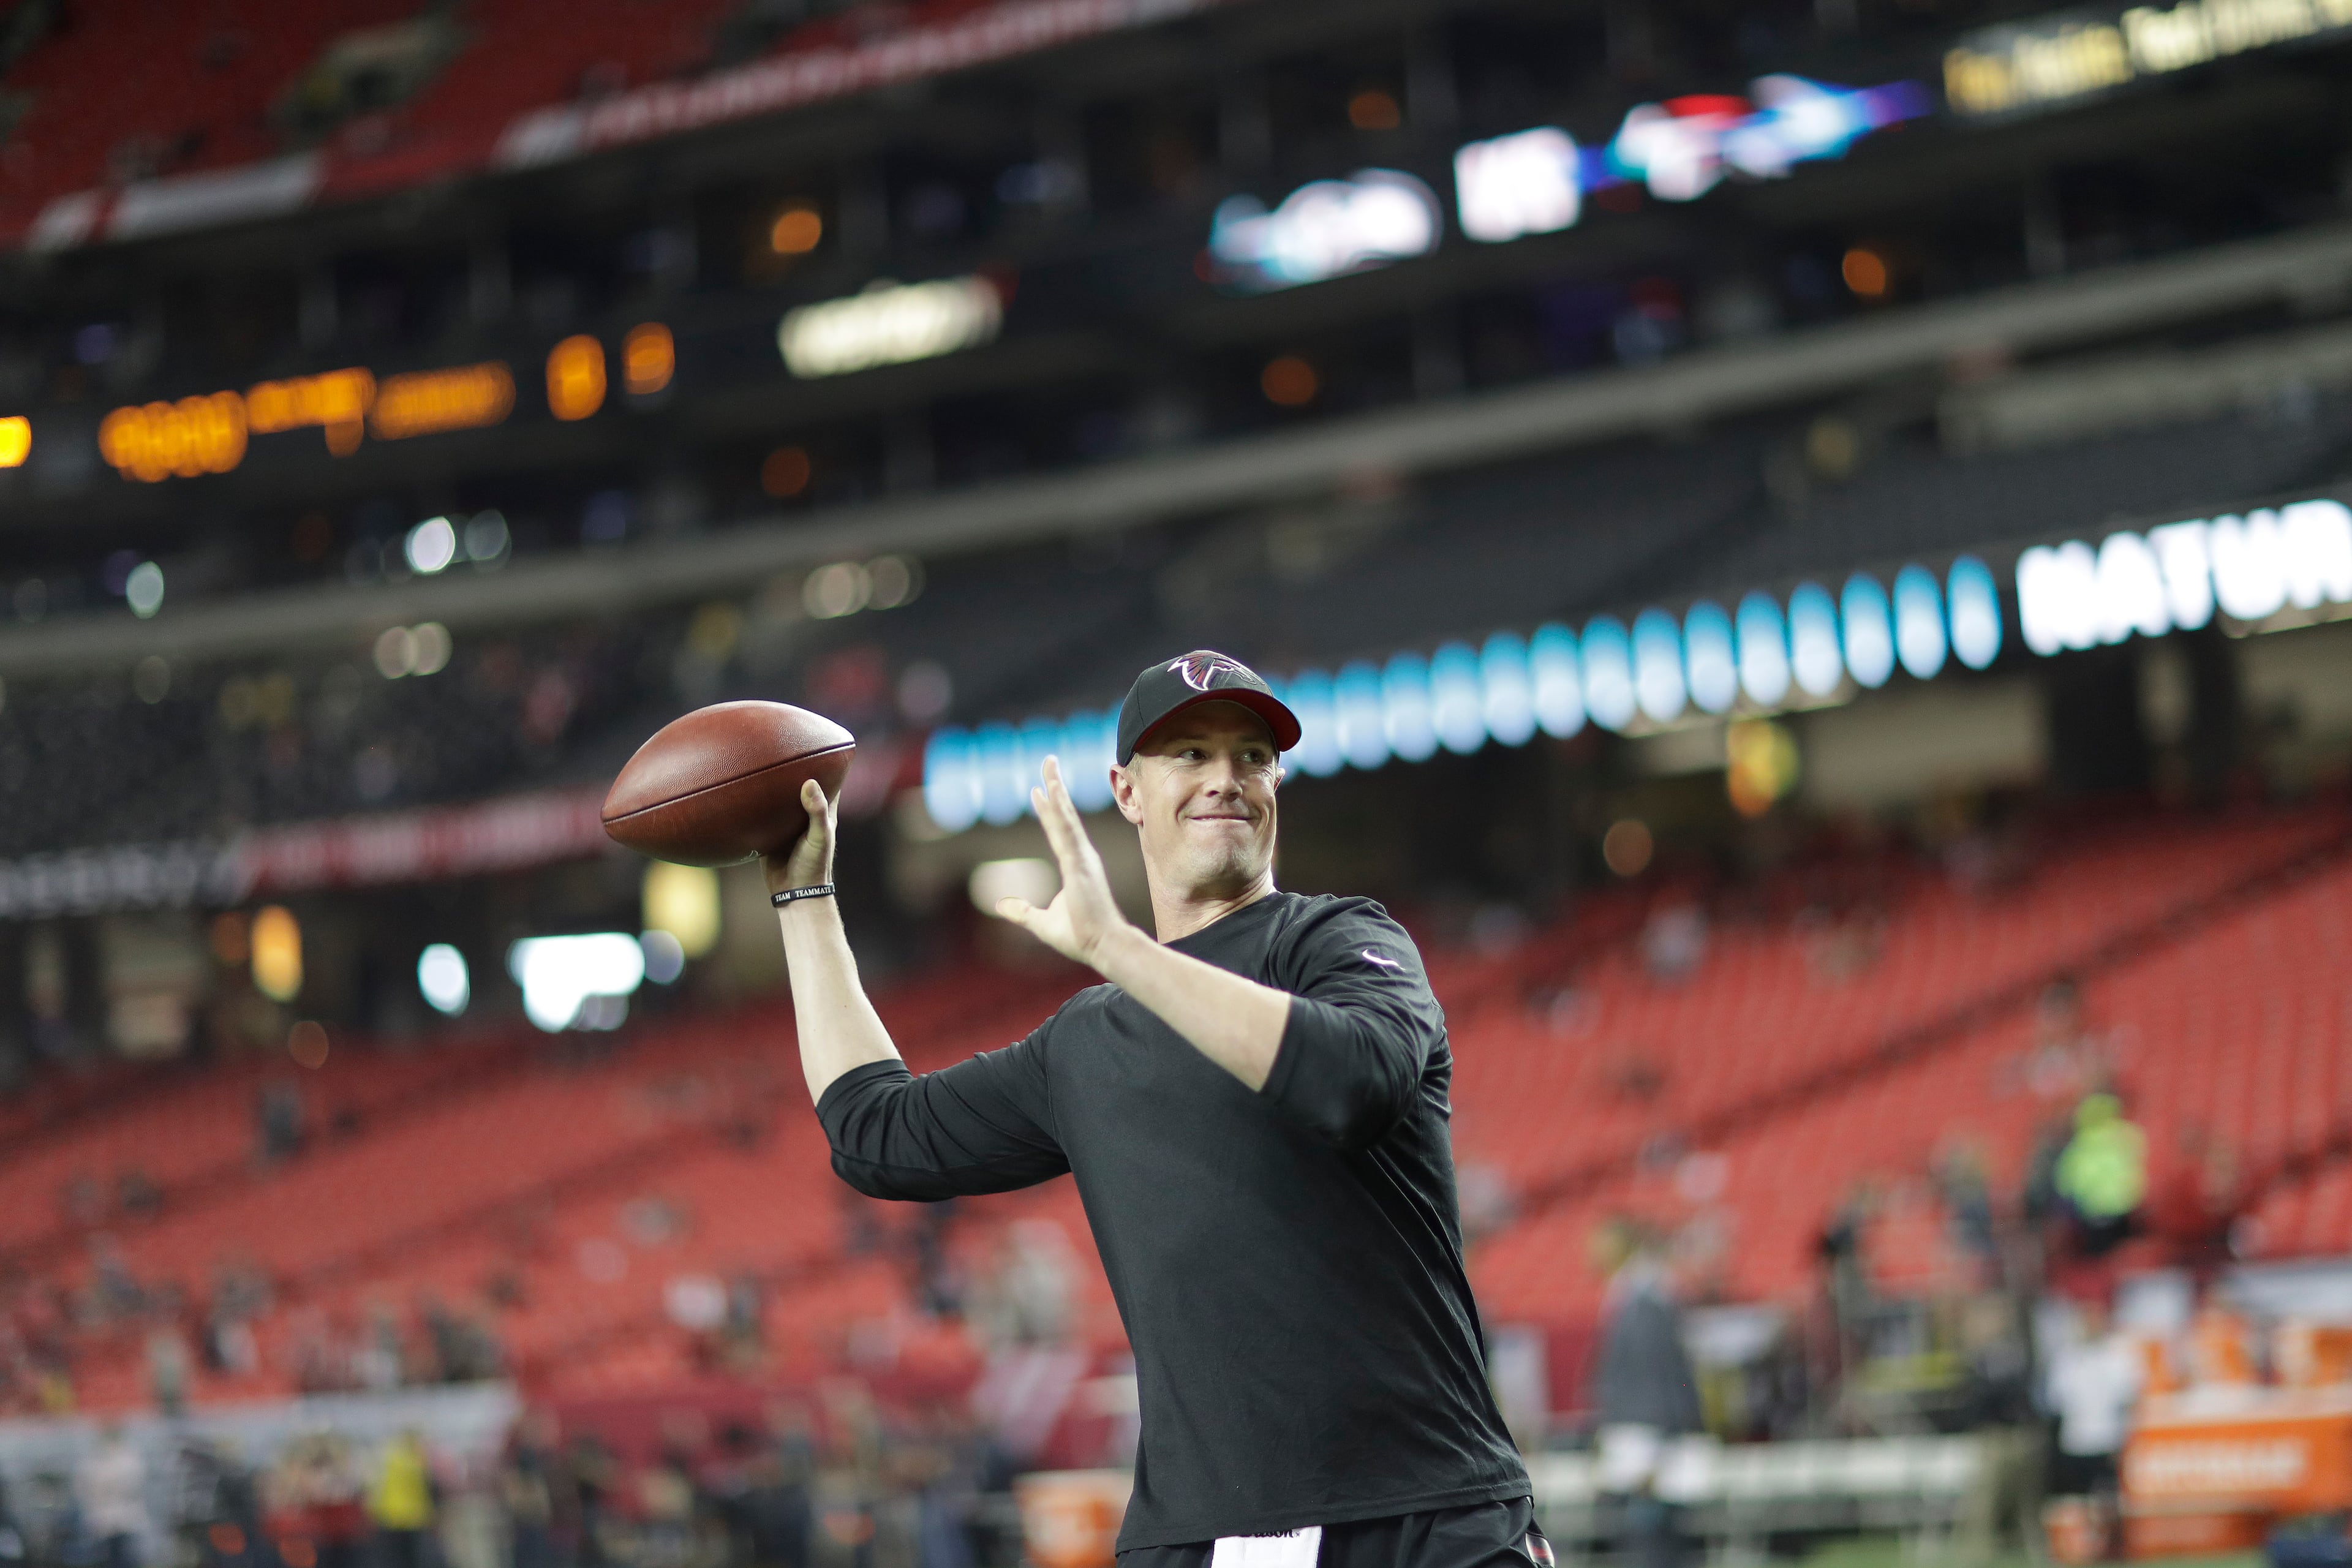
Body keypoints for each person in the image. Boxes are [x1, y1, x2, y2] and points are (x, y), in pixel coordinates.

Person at [767, 652, 1536, 1568]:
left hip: (1424, 1519)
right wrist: (802, 896)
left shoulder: (1340, 941)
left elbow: (1350, 1081)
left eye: (1252, 757)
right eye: (1191, 755)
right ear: (1126, 792)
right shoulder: (1086, 1043)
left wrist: (1123, 953)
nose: (1227, 779)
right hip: (1201, 1538)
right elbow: (874, 1135)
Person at [1588, 1220, 1702, 1568]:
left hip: (1647, 1443)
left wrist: (1662, 1445)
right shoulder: (1630, 1297)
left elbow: (1663, 1378)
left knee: (1653, 1543)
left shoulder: (1647, 1302)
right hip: (1638, 1439)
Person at [76, 1423, 151, 1568]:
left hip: (127, 1518)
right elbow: (83, 1488)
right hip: (101, 1519)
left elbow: (133, 1485)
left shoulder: (130, 1458)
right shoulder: (92, 1460)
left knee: (127, 1558)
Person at [366, 1430, 435, 1568]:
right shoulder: (417, 1460)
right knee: (414, 1558)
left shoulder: (387, 1458)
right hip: (414, 1517)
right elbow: (427, 1487)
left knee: (393, 1558)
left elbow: (376, 1487)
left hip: (390, 1515)